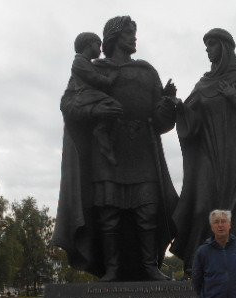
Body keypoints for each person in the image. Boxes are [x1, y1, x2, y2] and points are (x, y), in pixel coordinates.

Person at [53, 16, 179, 281]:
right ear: (113, 37)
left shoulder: (147, 72)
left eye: (134, 32)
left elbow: (160, 123)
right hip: (107, 150)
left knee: (148, 211)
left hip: (142, 148)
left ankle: (150, 266)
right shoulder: (93, 69)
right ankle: (111, 269)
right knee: (108, 214)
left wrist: (167, 104)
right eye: (129, 33)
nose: (134, 37)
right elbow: (69, 104)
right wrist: (96, 108)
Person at [171, 28, 236, 274]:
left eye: (211, 45)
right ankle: (196, 263)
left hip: (235, 160)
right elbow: (192, 122)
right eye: (206, 46)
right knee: (201, 205)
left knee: (231, 211)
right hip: (207, 157)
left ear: (225, 47)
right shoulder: (203, 83)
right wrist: (179, 107)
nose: (207, 50)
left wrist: (233, 98)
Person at [63, 32, 120, 166]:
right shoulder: (79, 62)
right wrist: (111, 78)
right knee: (115, 106)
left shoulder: (87, 63)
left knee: (115, 110)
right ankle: (101, 130)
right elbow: (95, 78)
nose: (100, 49)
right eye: (98, 45)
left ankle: (102, 131)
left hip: (92, 94)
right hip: (86, 95)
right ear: (89, 45)